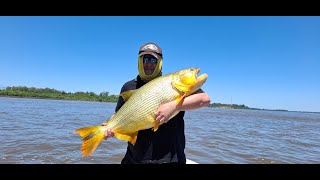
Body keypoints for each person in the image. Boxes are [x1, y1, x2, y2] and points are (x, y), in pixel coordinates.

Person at [103, 42, 211, 164]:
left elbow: (204, 99)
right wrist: (109, 127)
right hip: (135, 158)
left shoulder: (172, 83)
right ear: (140, 61)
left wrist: (174, 106)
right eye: (145, 59)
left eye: (154, 60)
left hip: (170, 158)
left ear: (160, 62)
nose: (149, 63)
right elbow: (118, 114)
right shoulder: (128, 86)